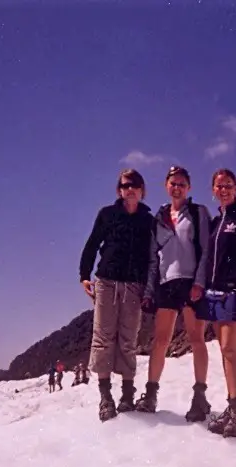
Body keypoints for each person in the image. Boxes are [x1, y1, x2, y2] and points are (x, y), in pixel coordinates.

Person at [136, 166, 213, 420]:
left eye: (182, 183)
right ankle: (150, 394)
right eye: (173, 183)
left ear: (188, 187)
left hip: (190, 282)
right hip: (166, 284)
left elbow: (205, 250)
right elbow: (152, 258)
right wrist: (149, 290)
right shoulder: (159, 218)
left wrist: (200, 283)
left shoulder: (198, 213)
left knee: (196, 338)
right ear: (166, 186)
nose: (177, 187)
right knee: (160, 341)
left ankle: (200, 398)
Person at [79, 168, 155, 422]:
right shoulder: (107, 215)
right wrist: (84, 275)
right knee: (103, 338)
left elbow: (154, 256)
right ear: (119, 190)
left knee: (128, 339)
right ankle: (105, 398)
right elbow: (92, 244)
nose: (129, 189)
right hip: (107, 282)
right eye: (125, 185)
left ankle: (127, 395)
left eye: (134, 185)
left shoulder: (149, 221)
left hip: (134, 285)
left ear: (142, 190)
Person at [193, 168, 236, 439]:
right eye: (219, 186)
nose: (223, 190)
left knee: (230, 348)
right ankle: (231, 408)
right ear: (213, 190)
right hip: (215, 292)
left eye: (228, 185)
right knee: (224, 350)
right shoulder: (215, 222)